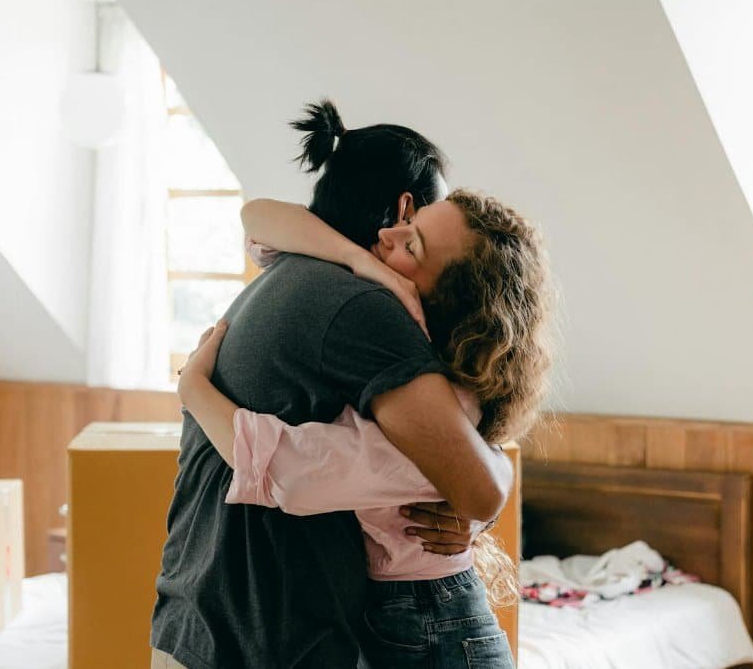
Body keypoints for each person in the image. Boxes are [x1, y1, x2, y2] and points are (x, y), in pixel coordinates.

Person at [149, 100, 515, 668]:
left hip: (193, 612)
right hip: (270, 632)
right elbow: (476, 488)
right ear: (405, 206)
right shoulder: (367, 306)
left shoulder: (285, 272)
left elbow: (257, 216)